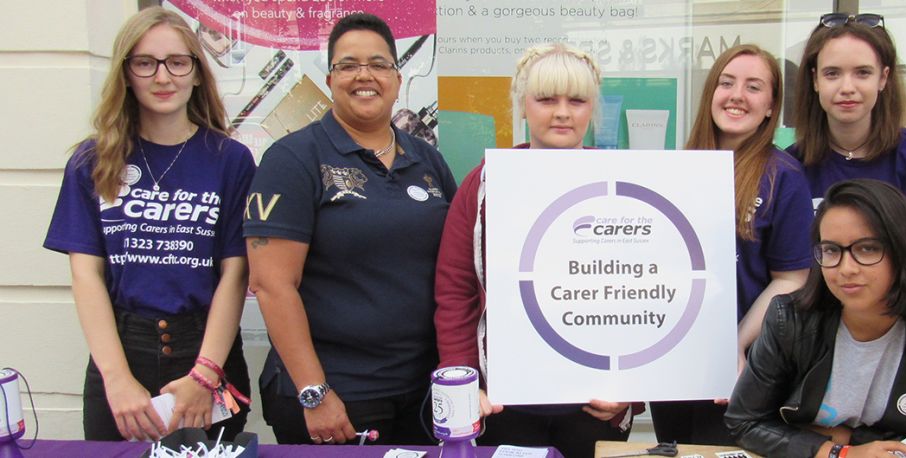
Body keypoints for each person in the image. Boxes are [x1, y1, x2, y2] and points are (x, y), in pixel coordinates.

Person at [243, 13, 457, 445]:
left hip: (421, 393)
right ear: (329, 78)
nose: (365, 75)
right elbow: (272, 285)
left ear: (397, 78)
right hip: (338, 395)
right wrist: (313, 392)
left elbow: (455, 269)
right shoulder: (293, 159)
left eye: (379, 64)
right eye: (349, 65)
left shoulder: (426, 159)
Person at [43, 7, 255, 441]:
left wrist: (205, 375)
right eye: (145, 63)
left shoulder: (230, 160)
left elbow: (236, 273)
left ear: (197, 73)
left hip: (206, 353)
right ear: (125, 73)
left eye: (178, 62)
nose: (163, 77)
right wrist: (117, 379)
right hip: (122, 354)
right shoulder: (92, 161)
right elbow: (86, 277)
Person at [434, 43, 637, 458]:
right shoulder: (483, 185)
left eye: (576, 100)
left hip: (595, 403)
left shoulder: (624, 183)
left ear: (592, 109)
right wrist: (465, 381)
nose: (562, 112)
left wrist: (631, 390)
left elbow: (643, 288)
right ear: (522, 105)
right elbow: (455, 290)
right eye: (546, 99)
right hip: (504, 400)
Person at [726, 179, 906, 458]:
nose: (846, 269)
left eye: (867, 249)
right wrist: (840, 452)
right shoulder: (789, 318)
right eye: (831, 250)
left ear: (903, 250)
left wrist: (850, 439)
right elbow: (744, 421)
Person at [649, 44, 813, 446]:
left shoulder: (784, 177)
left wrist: (734, 345)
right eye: (727, 83)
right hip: (673, 357)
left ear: (772, 107)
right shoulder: (675, 168)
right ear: (711, 95)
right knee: (673, 450)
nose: (737, 95)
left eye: (754, 87)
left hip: (743, 367)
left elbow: (791, 278)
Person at [786, 13, 906, 220]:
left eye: (862, 73)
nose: (847, 88)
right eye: (832, 73)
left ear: (883, 78)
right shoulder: (790, 166)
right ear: (815, 80)